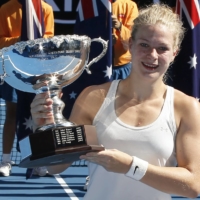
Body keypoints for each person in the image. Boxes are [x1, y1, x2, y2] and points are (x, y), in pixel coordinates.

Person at [30, 4, 200, 199]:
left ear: (174, 53)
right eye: (144, 44)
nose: (152, 55)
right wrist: (44, 127)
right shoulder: (94, 98)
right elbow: (56, 166)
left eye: (162, 48)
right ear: (130, 44)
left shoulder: (186, 107)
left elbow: (193, 185)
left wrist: (130, 166)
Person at [0, 0, 54, 177]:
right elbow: (1, 41)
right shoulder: (6, 9)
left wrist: (35, 42)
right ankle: (6, 160)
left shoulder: (45, 9)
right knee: (11, 113)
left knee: (40, 115)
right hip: (12, 71)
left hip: (37, 72)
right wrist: (21, 41)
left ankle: (39, 160)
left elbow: (50, 39)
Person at [112, 0, 138, 80]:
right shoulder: (95, 4)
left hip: (122, 66)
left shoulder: (130, 5)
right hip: (98, 64)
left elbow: (134, 36)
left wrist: (119, 26)